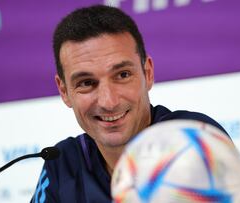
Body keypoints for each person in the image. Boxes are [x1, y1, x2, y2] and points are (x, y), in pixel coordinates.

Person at [31, 4, 229, 203]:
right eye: (86, 83)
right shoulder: (62, 163)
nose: (109, 102)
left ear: (148, 73)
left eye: (122, 75)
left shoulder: (194, 138)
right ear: (64, 92)